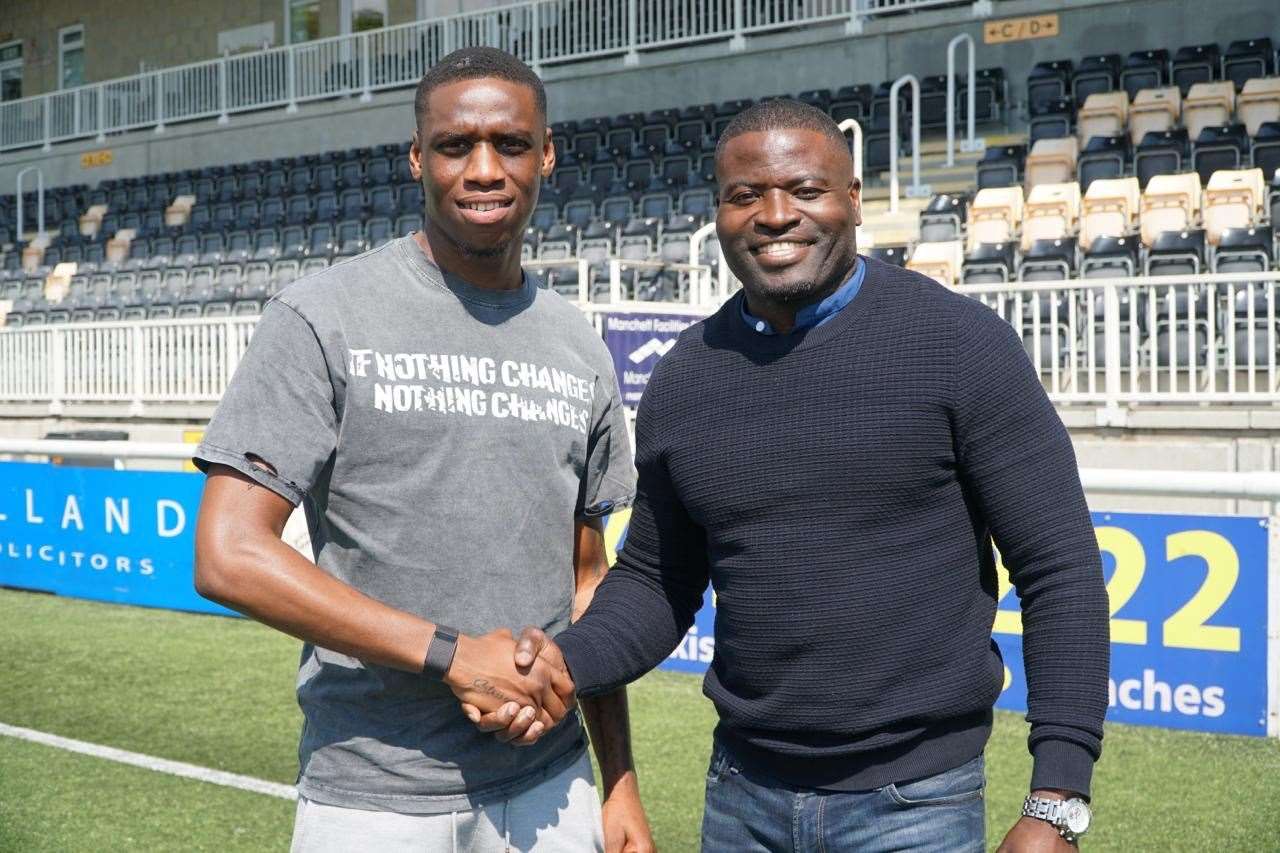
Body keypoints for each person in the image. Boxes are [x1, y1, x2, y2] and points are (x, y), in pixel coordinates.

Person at [502, 99, 1110, 852]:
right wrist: (568, 657)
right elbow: (658, 581)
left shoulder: (959, 344)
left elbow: (1061, 571)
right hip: (741, 801)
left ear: (853, 201)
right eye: (745, 195)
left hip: (916, 806)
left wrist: (1057, 799)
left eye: (806, 189)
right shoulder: (685, 377)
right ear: (719, 211)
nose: (775, 214)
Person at [192, 47, 653, 853]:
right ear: (416, 158)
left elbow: (585, 582)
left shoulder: (579, 344)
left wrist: (618, 784)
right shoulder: (320, 316)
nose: (484, 169)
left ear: (546, 154)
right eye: (454, 145)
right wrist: (452, 656)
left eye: (510, 144)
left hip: (555, 785)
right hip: (373, 797)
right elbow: (228, 553)